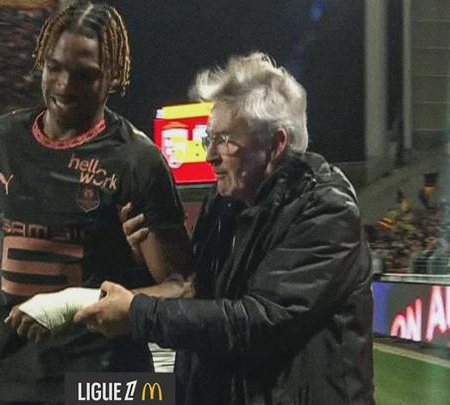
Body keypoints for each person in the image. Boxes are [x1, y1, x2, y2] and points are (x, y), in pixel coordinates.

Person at [0, 2, 192, 405]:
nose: (65, 86)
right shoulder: (3, 138)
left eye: (86, 75)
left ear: (113, 76)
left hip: (106, 383)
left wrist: (75, 303)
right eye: (54, 68)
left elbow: (183, 288)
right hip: (11, 378)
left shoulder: (137, 161)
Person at [75, 52, 375, 404]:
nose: (209, 155)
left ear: (276, 144)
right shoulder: (224, 204)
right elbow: (197, 294)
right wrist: (145, 258)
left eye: (225, 140)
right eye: (209, 138)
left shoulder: (327, 212)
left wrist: (138, 313)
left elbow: (258, 322)